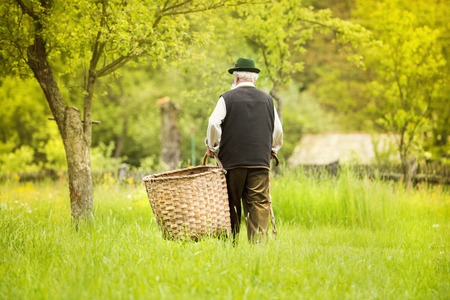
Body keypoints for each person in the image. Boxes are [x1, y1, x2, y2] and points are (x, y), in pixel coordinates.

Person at [205, 57, 283, 243]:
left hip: (232, 163)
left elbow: (213, 123)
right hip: (259, 162)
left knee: (229, 203)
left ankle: (230, 244)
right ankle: (259, 246)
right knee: (258, 204)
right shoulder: (267, 100)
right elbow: (277, 130)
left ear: (237, 78)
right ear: (254, 78)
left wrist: (212, 146)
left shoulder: (226, 98)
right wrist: (273, 149)